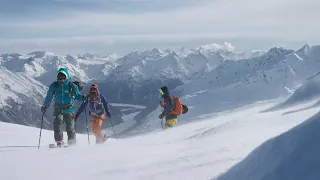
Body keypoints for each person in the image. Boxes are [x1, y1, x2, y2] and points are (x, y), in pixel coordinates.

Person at [41, 68, 84, 146]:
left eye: (63, 77)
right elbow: (49, 96)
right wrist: (45, 106)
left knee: (70, 126)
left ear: (66, 77)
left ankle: (72, 143)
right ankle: (59, 141)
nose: (62, 79)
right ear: (57, 77)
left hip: (69, 109)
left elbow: (77, 96)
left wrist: (83, 98)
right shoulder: (54, 86)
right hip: (58, 108)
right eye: (60, 78)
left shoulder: (72, 86)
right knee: (57, 123)